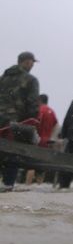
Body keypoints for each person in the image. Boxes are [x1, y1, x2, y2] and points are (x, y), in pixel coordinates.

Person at [0, 51, 40, 191]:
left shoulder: (3, 78)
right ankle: (8, 186)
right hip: (15, 122)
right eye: (32, 63)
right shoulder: (30, 80)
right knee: (13, 153)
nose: (32, 65)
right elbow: (33, 104)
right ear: (27, 62)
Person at [25, 93, 58, 184]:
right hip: (47, 142)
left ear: (39, 100)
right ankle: (39, 185)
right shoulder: (52, 111)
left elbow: (34, 124)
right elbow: (56, 125)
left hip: (37, 141)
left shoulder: (39, 110)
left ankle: (27, 186)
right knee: (41, 167)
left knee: (31, 165)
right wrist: (51, 137)